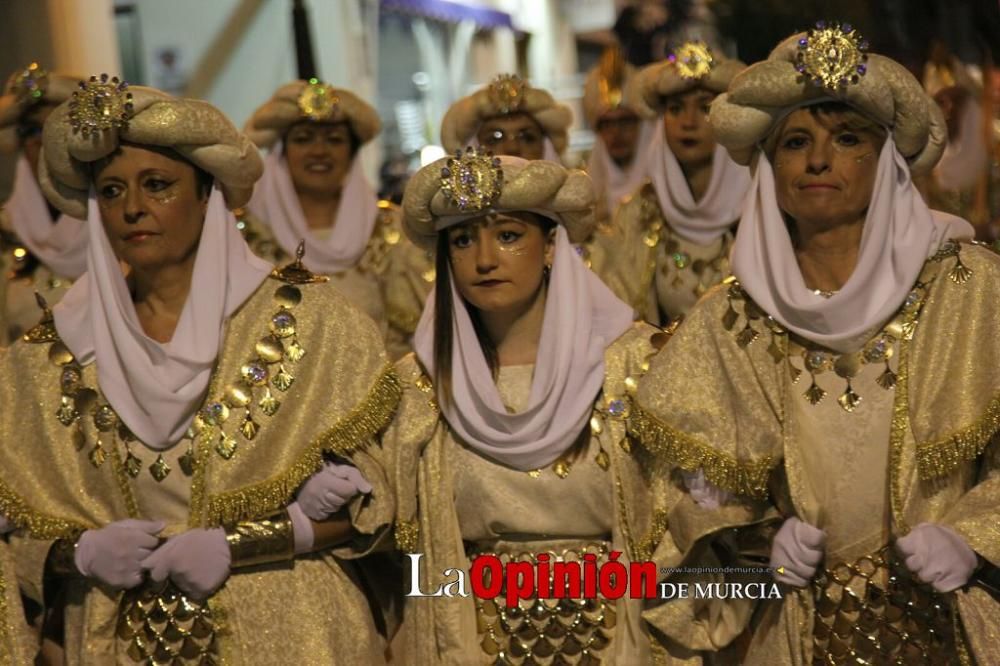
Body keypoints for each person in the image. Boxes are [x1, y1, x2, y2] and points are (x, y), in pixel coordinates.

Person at [630, 23, 1000, 663]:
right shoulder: (729, 322)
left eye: (848, 139)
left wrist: (976, 537)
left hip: (954, 626)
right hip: (797, 634)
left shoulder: (968, 288)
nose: (819, 161)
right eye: (796, 143)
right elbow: (686, 503)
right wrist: (757, 547)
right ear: (770, 168)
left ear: (885, 160)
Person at [0, 75, 399, 663]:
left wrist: (251, 540)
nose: (132, 208)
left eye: (156, 185)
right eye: (110, 191)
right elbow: (20, 530)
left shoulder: (316, 324)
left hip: (290, 632)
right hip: (118, 639)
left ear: (207, 195)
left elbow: (380, 507)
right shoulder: (48, 354)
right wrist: (77, 554)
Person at [349, 148, 677, 664]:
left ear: (550, 247)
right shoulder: (416, 391)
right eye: (462, 240)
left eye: (507, 236)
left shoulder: (637, 369)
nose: (484, 260)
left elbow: (682, 520)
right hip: (476, 642)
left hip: (623, 638)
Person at [245, 79, 433, 357]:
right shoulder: (247, 232)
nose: (319, 151)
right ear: (281, 152)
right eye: (303, 139)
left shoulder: (392, 229)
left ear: (352, 153)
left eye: (334, 140)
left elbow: (419, 335)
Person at [605, 42, 749, 325]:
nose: (688, 122)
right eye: (675, 108)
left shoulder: (758, 205)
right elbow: (623, 317)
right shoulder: (639, 211)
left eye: (705, 108)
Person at [0, 63, 84, 344]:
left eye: (56, 128)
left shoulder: (122, 223)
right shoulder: (5, 232)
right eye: (32, 131)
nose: (42, 143)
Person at [583, 46, 655, 223]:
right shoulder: (584, 205)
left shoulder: (669, 194)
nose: (615, 133)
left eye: (625, 121)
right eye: (607, 124)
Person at [439, 74, 573, 162]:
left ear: (547, 146)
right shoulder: (445, 206)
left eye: (527, 138)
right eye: (495, 138)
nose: (512, 148)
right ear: (472, 147)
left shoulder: (574, 203)